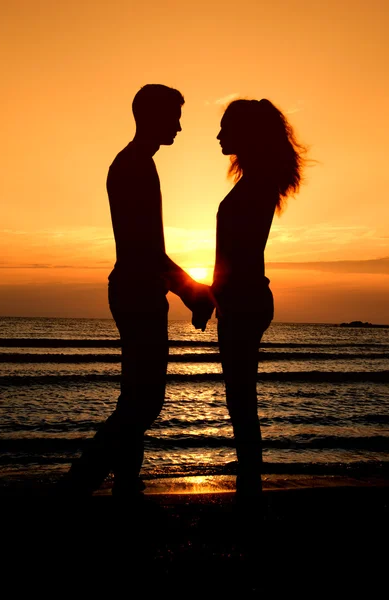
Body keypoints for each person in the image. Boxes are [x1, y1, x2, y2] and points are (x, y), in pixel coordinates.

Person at [58, 84, 214, 498]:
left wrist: (189, 290)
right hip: (137, 290)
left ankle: (126, 483)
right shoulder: (134, 166)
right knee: (143, 402)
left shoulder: (137, 163)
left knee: (137, 397)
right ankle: (80, 483)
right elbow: (147, 249)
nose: (180, 127)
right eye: (174, 117)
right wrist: (193, 292)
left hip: (137, 288)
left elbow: (150, 250)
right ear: (151, 116)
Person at [197, 98, 306, 505]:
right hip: (243, 297)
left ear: (246, 133)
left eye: (226, 127)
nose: (220, 135)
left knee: (241, 402)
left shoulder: (258, 182)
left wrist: (210, 297)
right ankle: (249, 488)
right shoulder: (255, 180)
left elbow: (236, 254)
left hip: (243, 299)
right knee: (240, 400)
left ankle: (250, 493)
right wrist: (211, 296)